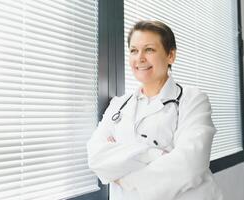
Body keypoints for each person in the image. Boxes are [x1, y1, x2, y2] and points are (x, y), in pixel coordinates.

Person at [87, 20, 223, 200]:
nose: (140, 58)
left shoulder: (192, 100)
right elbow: (96, 157)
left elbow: (189, 165)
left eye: (149, 49)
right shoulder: (118, 105)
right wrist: (153, 154)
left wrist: (123, 176)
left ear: (171, 55)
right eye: (134, 50)